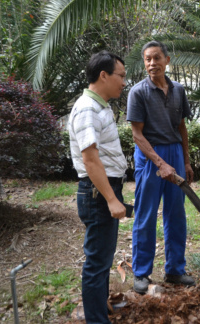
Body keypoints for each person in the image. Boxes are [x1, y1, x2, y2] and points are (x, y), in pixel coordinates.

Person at [127, 41, 195, 294]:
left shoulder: (178, 90)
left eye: (156, 58)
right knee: (146, 214)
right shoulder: (138, 92)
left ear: (167, 60)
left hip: (175, 153)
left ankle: (175, 270)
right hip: (150, 155)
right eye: (147, 59)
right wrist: (160, 163)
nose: (152, 63)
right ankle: (141, 273)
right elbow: (136, 134)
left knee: (176, 214)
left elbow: (181, 128)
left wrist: (185, 161)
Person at [68, 50, 128, 324]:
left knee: (103, 259)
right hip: (97, 193)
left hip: (103, 190)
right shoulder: (87, 109)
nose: (124, 82)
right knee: (96, 263)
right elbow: (90, 160)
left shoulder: (100, 106)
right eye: (121, 76)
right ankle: (95, 320)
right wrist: (111, 199)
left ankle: (100, 310)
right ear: (103, 75)